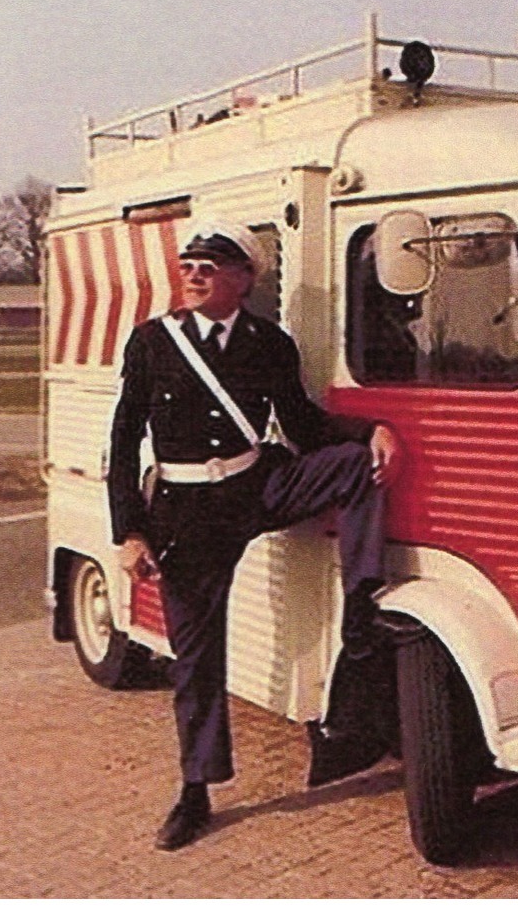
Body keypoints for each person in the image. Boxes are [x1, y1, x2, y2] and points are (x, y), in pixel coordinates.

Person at [107, 219, 401, 852]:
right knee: (196, 656)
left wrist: (368, 430)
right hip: (186, 515)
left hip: (254, 487)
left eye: (209, 266)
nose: (192, 274)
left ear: (244, 279)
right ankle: (195, 790)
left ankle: (362, 606)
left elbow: (300, 423)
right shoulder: (152, 343)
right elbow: (124, 440)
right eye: (188, 265)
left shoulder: (270, 343)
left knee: (355, 467)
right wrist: (129, 533)